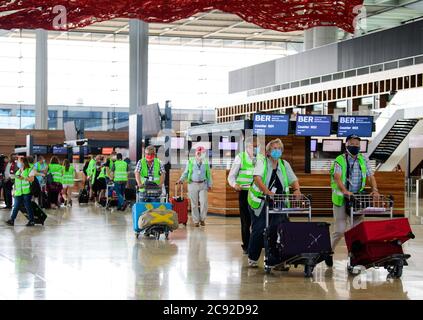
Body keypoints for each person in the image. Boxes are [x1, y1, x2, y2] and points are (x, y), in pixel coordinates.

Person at [326, 134, 380, 267]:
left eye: (357, 144)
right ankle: (328, 252)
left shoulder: (363, 159)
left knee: (357, 231)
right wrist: (345, 191)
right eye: (352, 144)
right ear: (347, 145)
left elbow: (371, 176)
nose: (355, 146)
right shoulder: (340, 160)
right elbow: (337, 177)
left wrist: (375, 189)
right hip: (341, 198)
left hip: (357, 199)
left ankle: (355, 258)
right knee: (339, 229)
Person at [247, 139, 301, 268]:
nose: (277, 151)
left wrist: (297, 190)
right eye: (274, 149)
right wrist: (267, 191)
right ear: (268, 152)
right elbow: (257, 178)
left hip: (278, 202)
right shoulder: (262, 162)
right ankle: (253, 257)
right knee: (259, 229)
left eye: (279, 148)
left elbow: (293, 179)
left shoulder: (284, 164)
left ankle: (276, 259)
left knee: (277, 230)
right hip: (260, 201)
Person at [228, 137, 258, 254]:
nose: (255, 149)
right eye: (253, 147)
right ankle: (246, 246)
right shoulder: (240, 157)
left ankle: (255, 244)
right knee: (246, 221)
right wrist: (235, 184)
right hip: (244, 192)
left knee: (257, 221)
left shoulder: (260, 158)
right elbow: (231, 176)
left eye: (257, 147)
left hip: (257, 193)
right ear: (248, 147)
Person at [178, 146, 212, 227]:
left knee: (204, 203)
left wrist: (209, 184)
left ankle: (202, 219)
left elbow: (209, 174)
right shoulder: (190, 161)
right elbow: (186, 172)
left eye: (202, 153)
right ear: (196, 153)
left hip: (203, 184)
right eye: (199, 152)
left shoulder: (206, 162)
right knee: (194, 204)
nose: (201, 154)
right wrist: (181, 179)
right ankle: (196, 221)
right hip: (192, 184)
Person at [5, 156, 36, 226]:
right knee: (16, 206)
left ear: (23, 162)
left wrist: (23, 178)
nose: (17, 163)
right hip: (18, 192)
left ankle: (32, 221)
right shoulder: (18, 171)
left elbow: (32, 179)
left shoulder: (29, 169)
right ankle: (12, 220)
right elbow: (16, 183)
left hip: (26, 191)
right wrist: (14, 191)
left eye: (19, 161)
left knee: (28, 206)